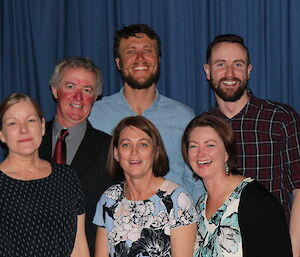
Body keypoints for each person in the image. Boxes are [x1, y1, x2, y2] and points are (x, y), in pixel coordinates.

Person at [203, 33, 300, 256]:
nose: (229, 73)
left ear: (248, 70)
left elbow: (299, 190)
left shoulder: (281, 119)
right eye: (221, 64)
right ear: (208, 71)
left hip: (272, 245)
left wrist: (292, 251)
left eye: (238, 64)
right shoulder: (202, 128)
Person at [88, 23, 204, 202]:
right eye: (131, 51)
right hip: (115, 223)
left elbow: (195, 180)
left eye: (148, 51)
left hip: (174, 224)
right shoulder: (95, 115)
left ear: (158, 59)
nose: (140, 58)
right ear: (118, 62)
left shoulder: (184, 116)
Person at [181, 113, 292, 256]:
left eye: (210, 145)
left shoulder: (257, 201)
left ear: (227, 152)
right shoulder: (200, 205)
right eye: (194, 146)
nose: (201, 154)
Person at [39, 56, 115, 256]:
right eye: (71, 86)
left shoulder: (111, 150)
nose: (78, 97)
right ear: (55, 90)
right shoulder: (30, 142)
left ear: (96, 97)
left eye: (87, 90)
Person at [93, 116, 197, 257]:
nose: (134, 152)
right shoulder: (108, 199)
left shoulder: (177, 200)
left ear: (156, 152)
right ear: (116, 154)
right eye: (126, 145)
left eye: (143, 144)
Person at [0, 93, 90, 256]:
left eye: (31, 120)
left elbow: (79, 246)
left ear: (42, 126)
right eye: (12, 123)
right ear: (2, 134)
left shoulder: (66, 177)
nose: (23, 129)